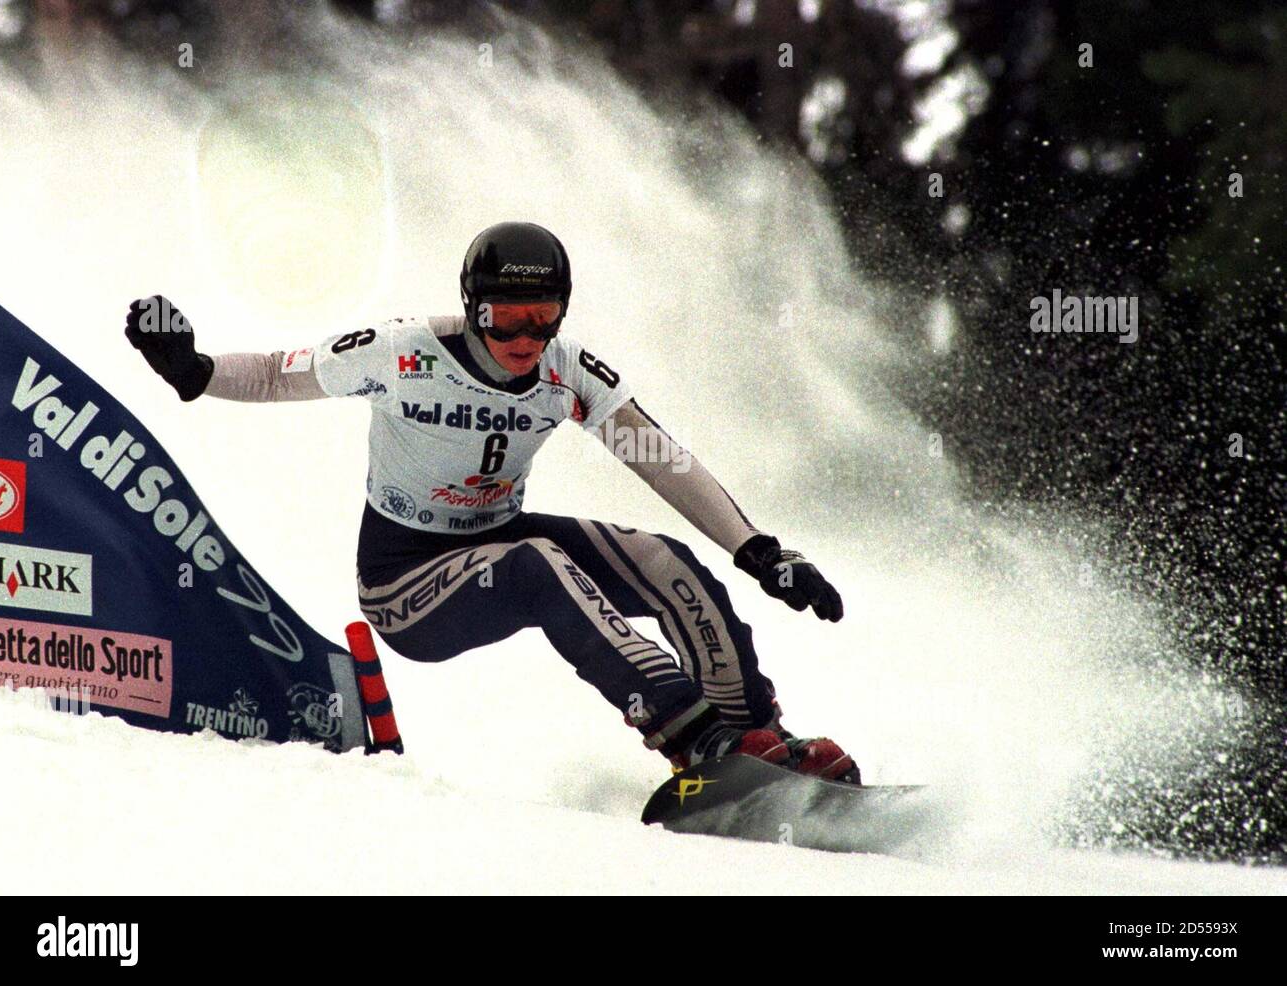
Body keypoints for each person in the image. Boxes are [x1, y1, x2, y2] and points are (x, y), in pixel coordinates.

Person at [124, 221, 859, 780]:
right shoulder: (404, 351)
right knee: (537, 563)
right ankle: (695, 741)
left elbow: (658, 457)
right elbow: (282, 375)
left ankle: (754, 737)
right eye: (507, 317)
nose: (525, 337)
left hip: (502, 539)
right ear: (472, 308)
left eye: (544, 317)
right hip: (405, 578)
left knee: (662, 558)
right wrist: (192, 369)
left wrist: (758, 551)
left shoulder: (565, 371)